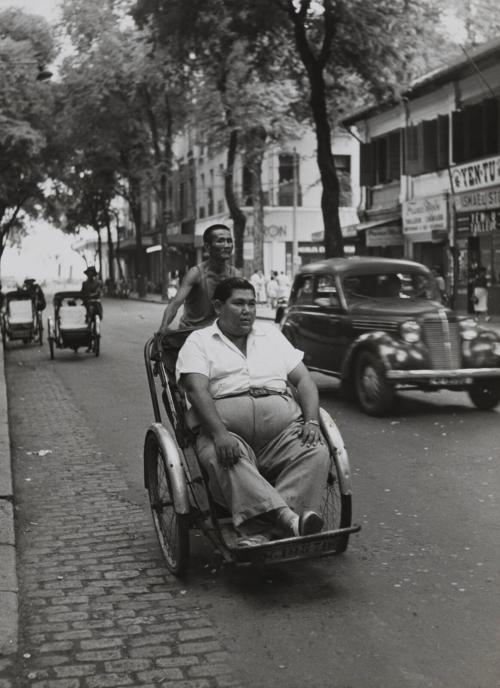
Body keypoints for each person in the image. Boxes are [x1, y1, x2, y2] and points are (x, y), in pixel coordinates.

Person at [176, 276, 330, 547]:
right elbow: (196, 390)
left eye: (251, 303)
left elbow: (304, 381)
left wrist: (313, 422)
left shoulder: (272, 335)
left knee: (316, 450)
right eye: (238, 304)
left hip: (282, 433)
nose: (247, 310)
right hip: (227, 432)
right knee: (223, 457)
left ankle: (261, 530)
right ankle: (289, 519)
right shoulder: (198, 341)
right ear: (218, 306)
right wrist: (220, 434)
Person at [159, 224, 240, 332]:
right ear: (207, 247)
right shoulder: (196, 273)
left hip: (220, 334)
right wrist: (163, 327)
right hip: (192, 333)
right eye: (220, 241)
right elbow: (174, 305)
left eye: (229, 241)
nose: (227, 245)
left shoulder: (235, 274)